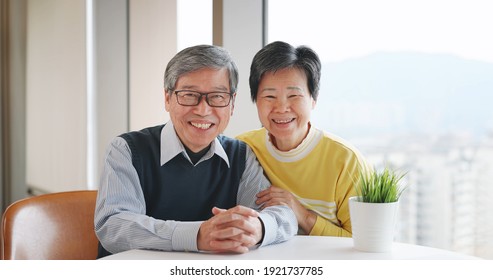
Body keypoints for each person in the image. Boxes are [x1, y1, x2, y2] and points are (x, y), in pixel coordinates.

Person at [94, 45, 297, 258]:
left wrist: (259, 228)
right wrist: (197, 235)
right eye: (189, 95)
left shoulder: (241, 155)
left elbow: (282, 215)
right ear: (167, 98)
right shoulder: (127, 150)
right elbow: (113, 225)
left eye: (217, 97)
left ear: (232, 104)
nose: (203, 110)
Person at [237, 41, 370, 237]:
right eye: (269, 96)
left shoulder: (346, 161)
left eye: (294, 95)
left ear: (313, 100)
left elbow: (364, 242)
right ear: (256, 100)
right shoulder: (244, 148)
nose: (281, 108)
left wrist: (303, 215)